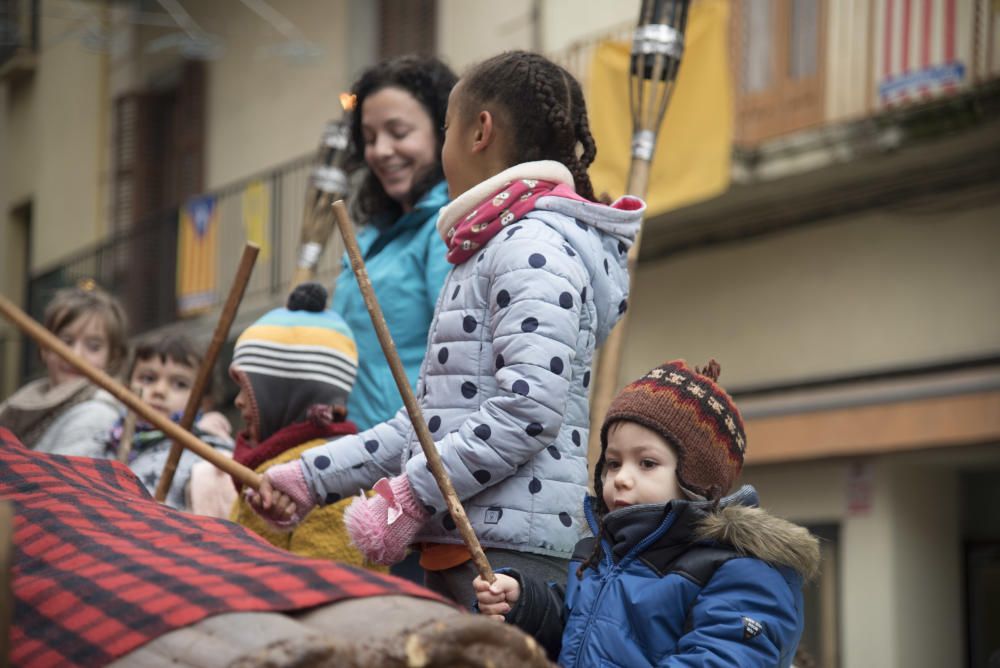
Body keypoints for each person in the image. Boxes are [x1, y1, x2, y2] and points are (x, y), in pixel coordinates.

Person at [248, 50, 644, 607]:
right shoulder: (489, 246)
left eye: (444, 128)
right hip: (467, 541)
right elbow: (425, 428)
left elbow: (528, 411)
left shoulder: (531, 247)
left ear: (479, 131)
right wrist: (311, 478)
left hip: (508, 565)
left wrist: (410, 495)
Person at [473, 360, 821, 666]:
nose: (621, 478)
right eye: (612, 463)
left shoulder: (742, 571)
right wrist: (525, 604)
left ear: (698, 480)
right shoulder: (599, 552)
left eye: (647, 463)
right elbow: (579, 635)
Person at [333, 54, 457, 432]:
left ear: (444, 131)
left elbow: (458, 360)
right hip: (349, 452)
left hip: (410, 456)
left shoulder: (449, 228)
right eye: (369, 138)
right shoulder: (369, 238)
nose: (381, 150)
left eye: (398, 133)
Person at [228, 283, 383, 570]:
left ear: (285, 395)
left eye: (249, 391)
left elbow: (324, 582)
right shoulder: (274, 462)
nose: (237, 402)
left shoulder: (331, 476)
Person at [105, 332, 233, 510]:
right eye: (148, 379)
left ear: (205, 401)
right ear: (127, 387)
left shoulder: (211, 457)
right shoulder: (107, 438)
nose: (159, 390)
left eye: (179, 384)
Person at [0, 283, 127, 457]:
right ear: (44, 348)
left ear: (111, 358)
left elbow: (58, 482)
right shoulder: (25, 403)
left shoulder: (96, 413)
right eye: (66, 341)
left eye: (94, 346)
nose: (75, 355)